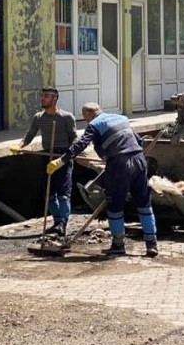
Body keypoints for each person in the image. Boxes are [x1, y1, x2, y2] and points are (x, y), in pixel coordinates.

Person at [47, 103, 158, 258]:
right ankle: (151, 245)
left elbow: (81, 144)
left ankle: (118, 245)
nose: (86, 121)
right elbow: (139, 141)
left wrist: (61, 161)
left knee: (114, 204)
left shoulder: (94, 124)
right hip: (139, 160)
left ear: (88, 114)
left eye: (85, 117)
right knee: (144, 203)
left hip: (119, 163)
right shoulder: (122, 118)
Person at [11, 86, 77, 237]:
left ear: (55, 99)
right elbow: (29, 136)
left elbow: (74, 139)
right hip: (46, 156)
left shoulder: (66, 117)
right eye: (42, 96)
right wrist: (19, 146)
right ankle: (57, 221)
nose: (42, 98)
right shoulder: (38, 118)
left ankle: (63, 224)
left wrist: (66, 157)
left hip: (63, 157)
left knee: (63, 193)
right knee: (49, 192)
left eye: (46, 96)